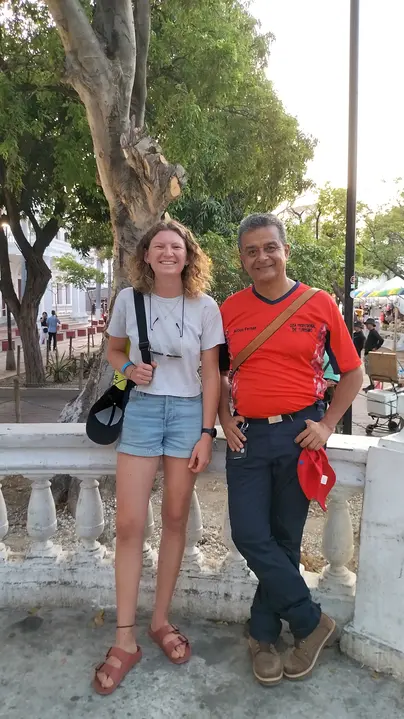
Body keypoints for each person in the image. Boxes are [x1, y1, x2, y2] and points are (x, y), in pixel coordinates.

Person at [218, 213, 362, 685]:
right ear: (242, 260)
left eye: (269, 247)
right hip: (246, 436)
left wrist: (327, 423)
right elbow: (218, 373)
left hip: (300, 436)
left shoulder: (318, 303)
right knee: (249, 534)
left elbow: (353, 373)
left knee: (284, 538)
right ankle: (310, 621)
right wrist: (223, 417)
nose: (262, 257)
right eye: (251, 251)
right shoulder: (229, 309)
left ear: (285, 251)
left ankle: (262, 635)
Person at [93, 220, 224, 695]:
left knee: (174, 520)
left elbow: (211, 374)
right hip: (144, 412)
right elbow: (113, 350)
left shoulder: (206, 306)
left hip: (188, 414)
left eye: (177, 246)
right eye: (159, 246)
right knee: (129, 525)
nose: (169, 252)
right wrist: (130, 368)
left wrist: (207, 433)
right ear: (146, 255)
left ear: (189, 255)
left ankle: (160, 621)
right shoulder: (130, 300)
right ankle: (124, 638)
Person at [364, 317, 384, 391]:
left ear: (371, 324)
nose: (366, 326)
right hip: (368, 353)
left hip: (370, 353)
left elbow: (381, 340)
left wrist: (376, 347)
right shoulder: (371, 332)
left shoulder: (373, 332)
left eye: (367, 324)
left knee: (369, 370)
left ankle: (372, 385)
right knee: (368, 370)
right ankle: (371, 384)